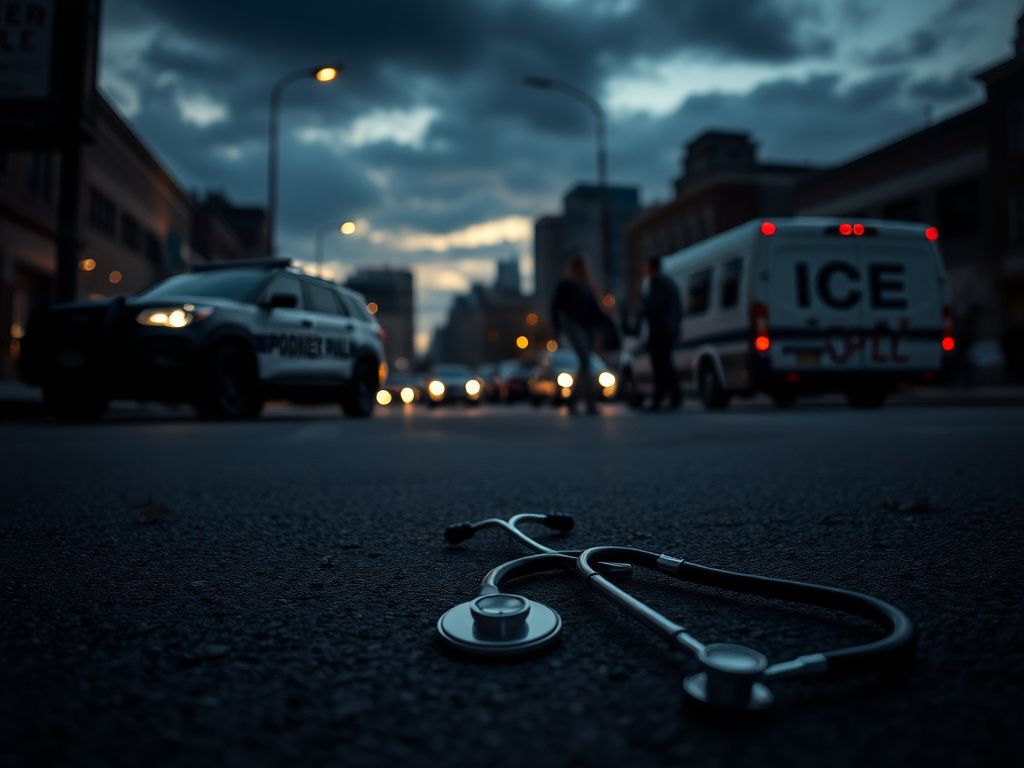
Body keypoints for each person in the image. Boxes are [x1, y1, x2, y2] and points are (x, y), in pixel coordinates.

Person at [550, 256, 608, 415]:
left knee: (585, 363)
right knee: (585, 360)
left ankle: (573, 399)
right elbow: (556, 306)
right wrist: (557, 328)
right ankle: (590, 403)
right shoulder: (566, 285)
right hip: (573, 325)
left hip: (588, 327)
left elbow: (595, 309)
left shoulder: (588, 286)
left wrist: (605, 322)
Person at [642, 256, 682, 410]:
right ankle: (673, 396)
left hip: (660, 330)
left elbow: (654, 304)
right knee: (666, 363)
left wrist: (644, 309)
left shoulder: (656, 282)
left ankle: (660, 398)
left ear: (651, 267)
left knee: (660, 364)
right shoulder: (670, 282)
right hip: (669, 329)